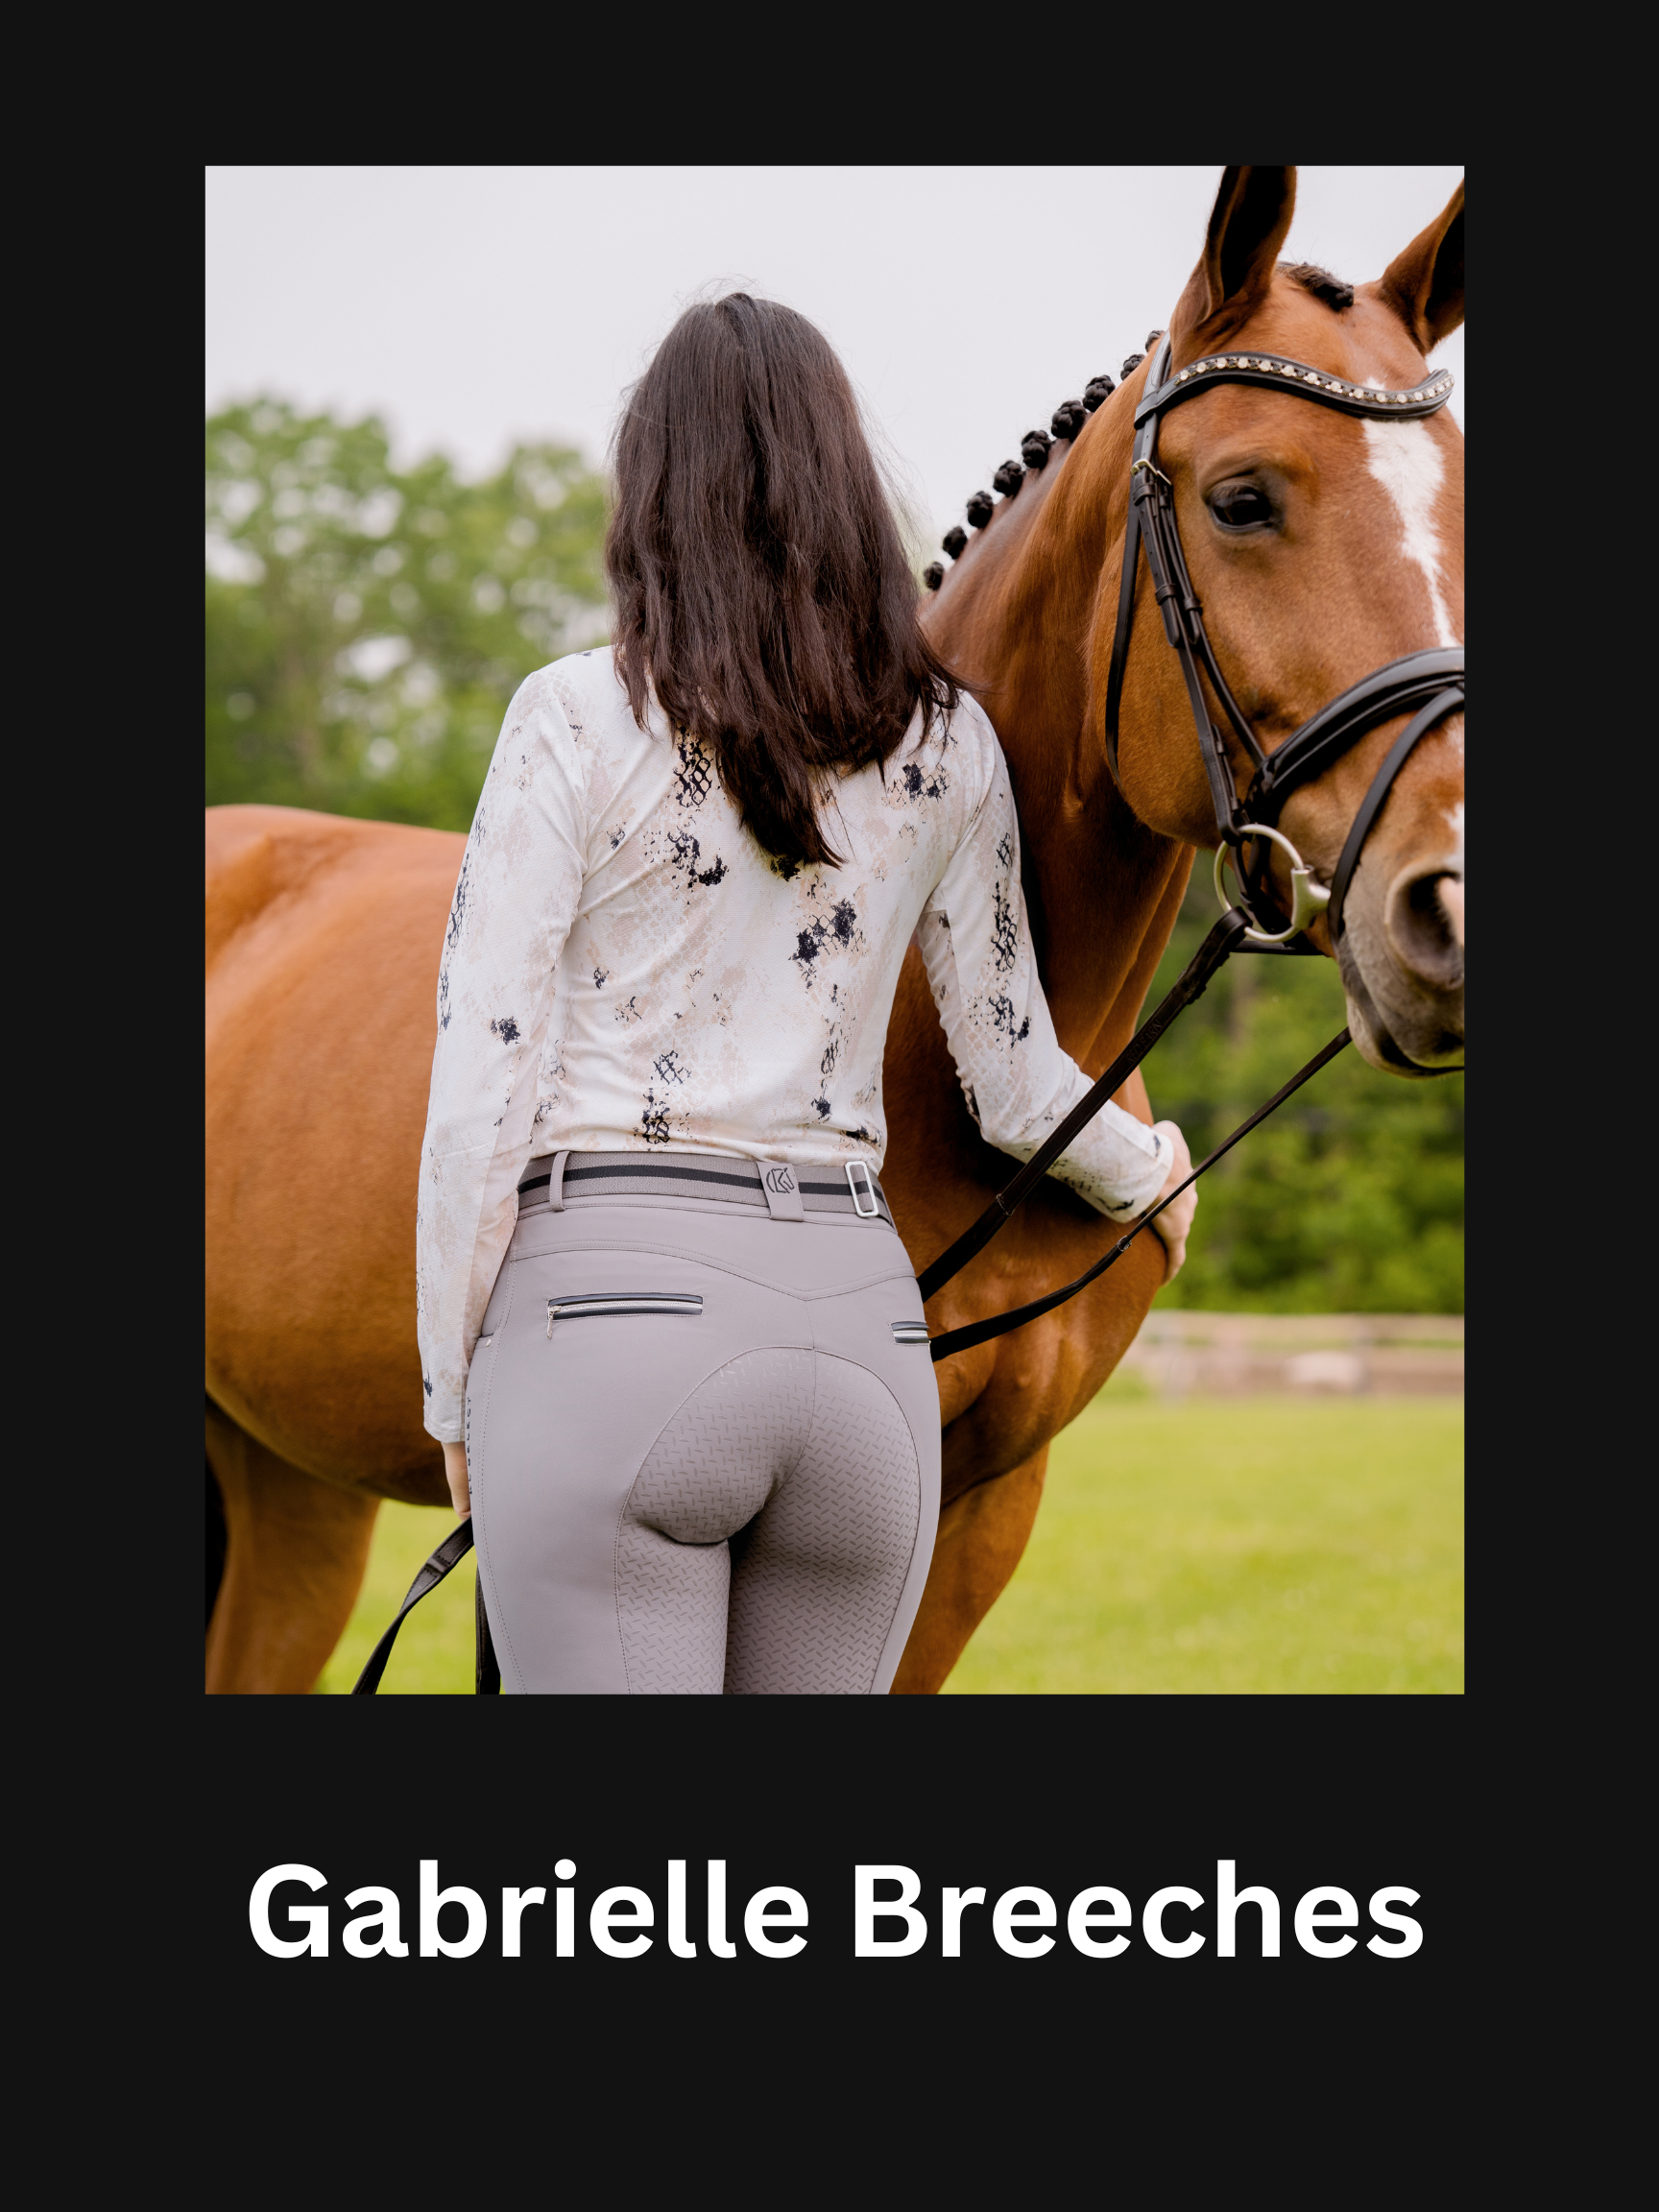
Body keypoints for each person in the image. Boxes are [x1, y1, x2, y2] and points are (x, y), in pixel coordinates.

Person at [415, 293, 1196, 1695]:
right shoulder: (944, 745)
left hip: (609, 1329)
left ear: (650, 492)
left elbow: (481, 1086)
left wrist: (450, 1396)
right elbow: (1019, 1087)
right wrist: (1156, 1175)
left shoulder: (571, 717)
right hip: (859, 1349)